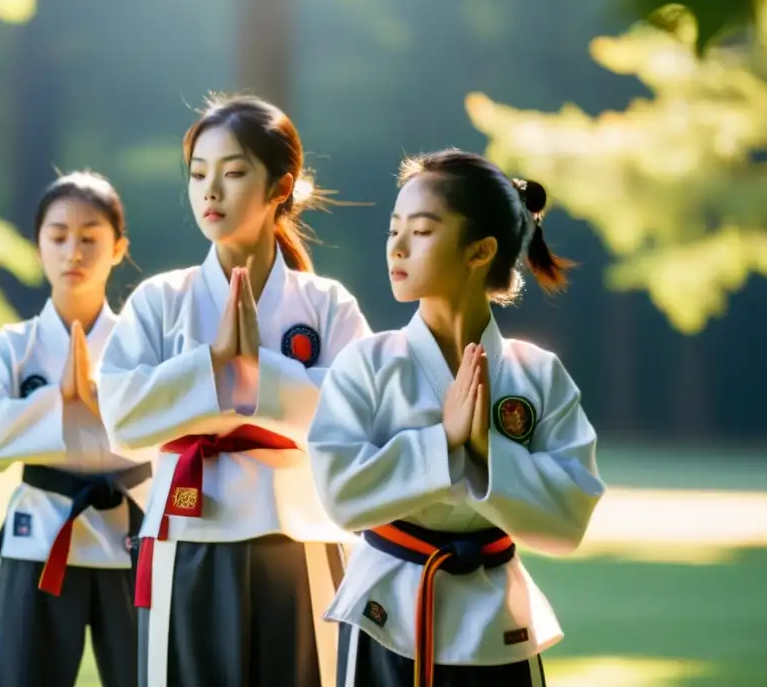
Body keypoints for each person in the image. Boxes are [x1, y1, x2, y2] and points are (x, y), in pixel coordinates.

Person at [97, 93, 371, 687]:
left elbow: (358, 422)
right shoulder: (159, 300)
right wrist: (211, 363)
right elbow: (121, 420)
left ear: (281, 185)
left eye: (234, 171)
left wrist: (255, 378)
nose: (210, 191)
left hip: (299, 533)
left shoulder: (326, 305)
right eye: (198, 174)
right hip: (187, 532)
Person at [307, 149, 606, 687]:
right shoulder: (368, 363)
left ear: (481, 250)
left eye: (421, 231)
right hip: (387, 613)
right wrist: (442, 440)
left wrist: (491, 453)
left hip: (498, 616)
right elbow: (340, 496)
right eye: (393, 229)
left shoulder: (537, 374)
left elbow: (569, 519)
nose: (396, 247)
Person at [0, 171, 150, 687]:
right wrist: (57, 400)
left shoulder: (144, 341)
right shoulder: (12, 346)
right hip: (40, 537)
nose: (74, 252)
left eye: (90, 237)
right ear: (38, 245)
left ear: (118, 248)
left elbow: (175, 427)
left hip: (134, 535)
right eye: (58, 236)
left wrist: (101, 398)